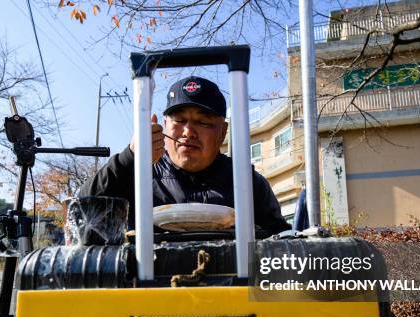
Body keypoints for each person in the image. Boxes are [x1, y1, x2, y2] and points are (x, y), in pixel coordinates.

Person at [78, 76, 290, 234]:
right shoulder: (137, 173)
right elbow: (81, 214)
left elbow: (280, 241)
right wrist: (130, 158)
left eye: (203, 122)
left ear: (222, 132)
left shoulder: (245, 181)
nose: (188, 131)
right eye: (179, 121)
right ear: (164, 125)